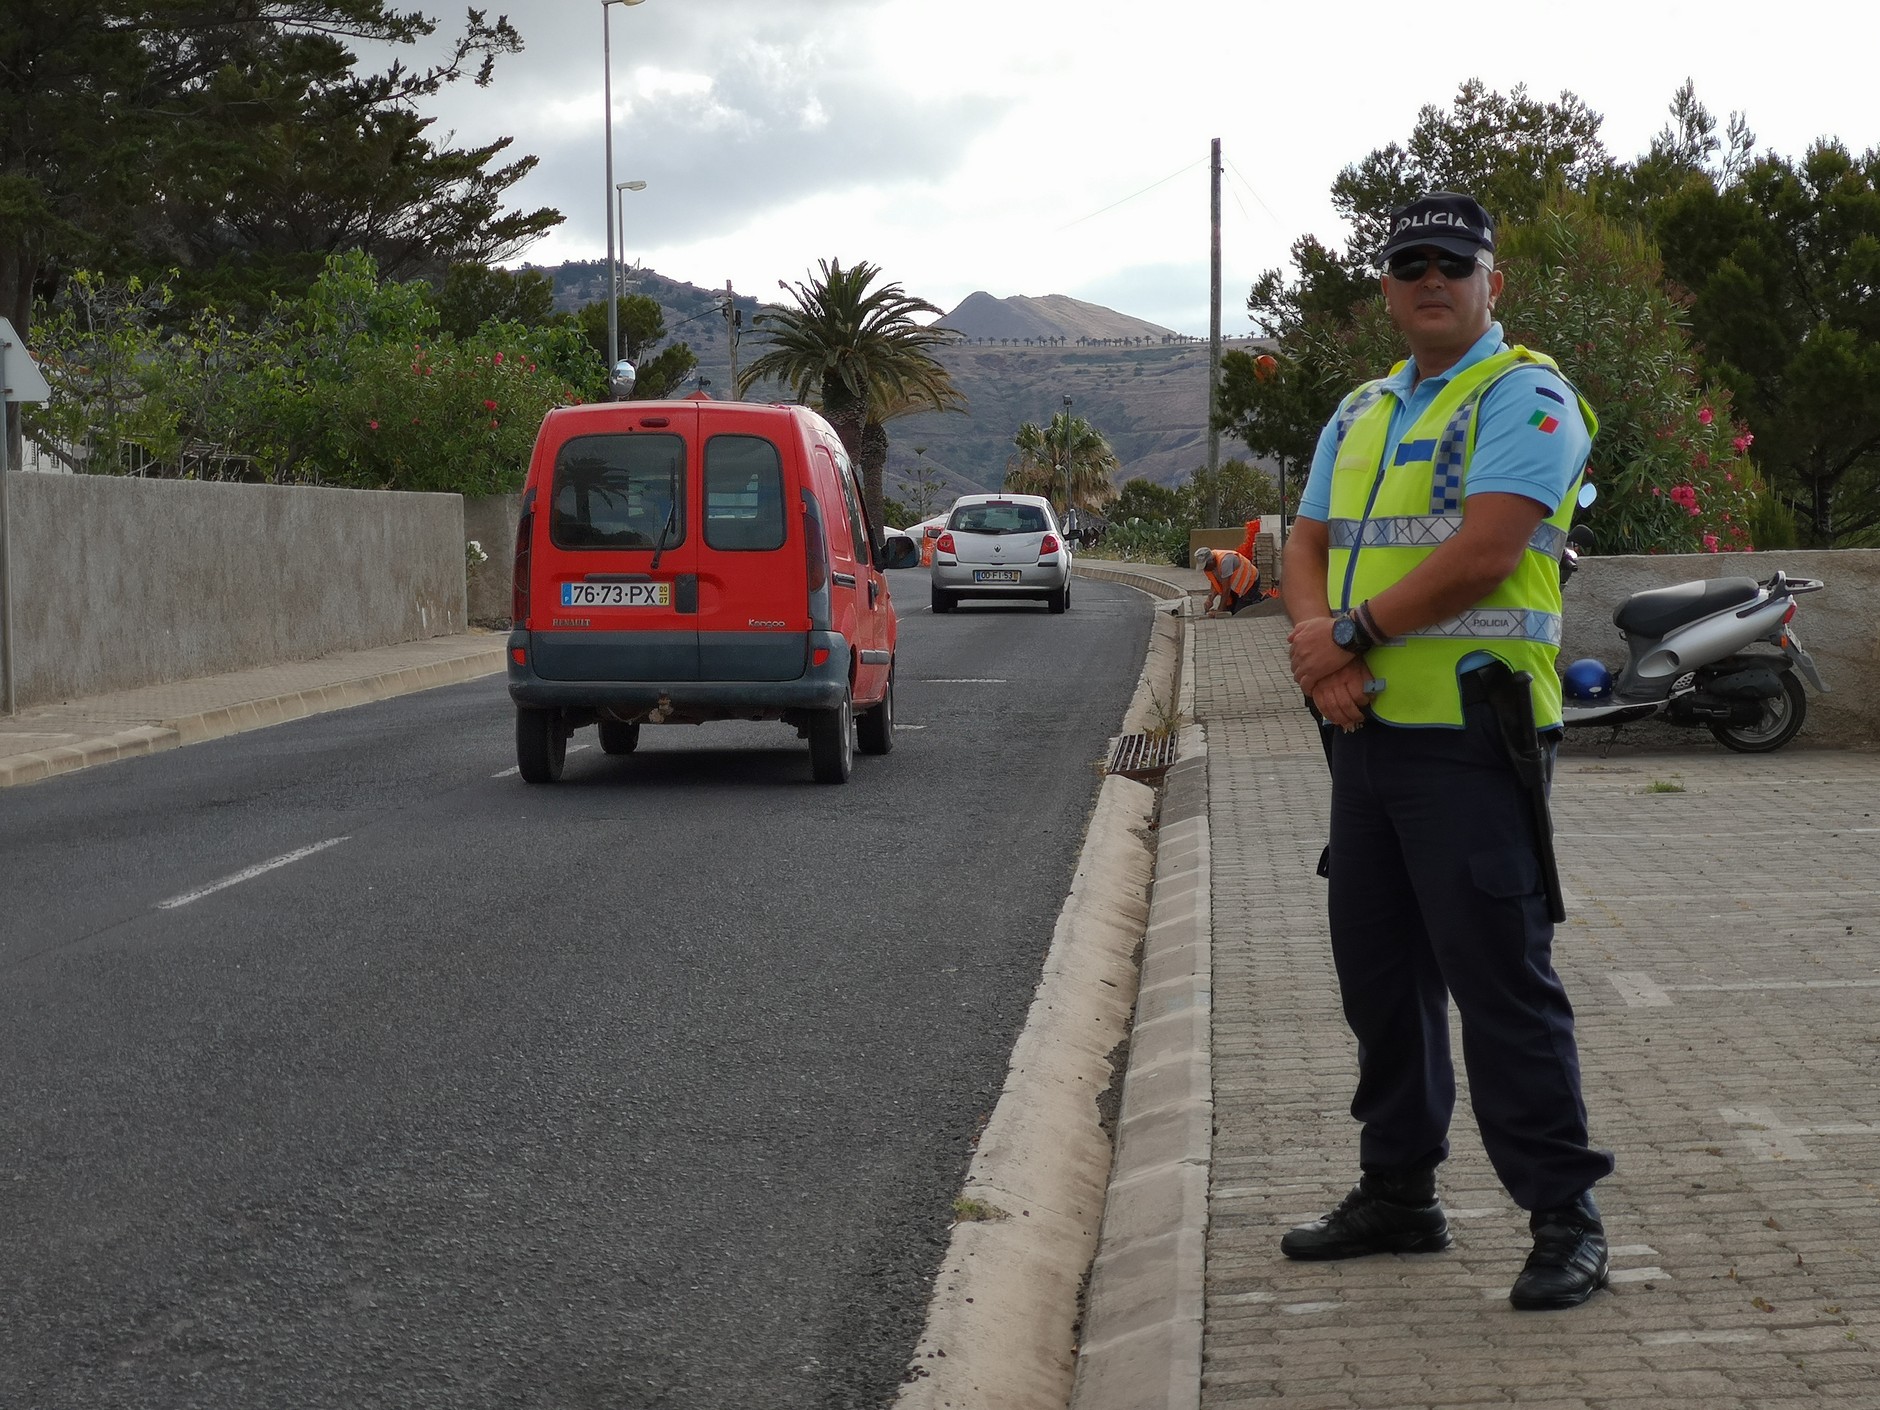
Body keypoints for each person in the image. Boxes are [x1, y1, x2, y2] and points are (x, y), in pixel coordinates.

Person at [1279, 191, 1615, 1310]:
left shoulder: (1526, 395)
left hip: (1475, 739)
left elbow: (1481, 553)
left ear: (1489, 284)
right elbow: (1309, 539)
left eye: (1451, 263)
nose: (1430, 279)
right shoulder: (1360, 408)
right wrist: (1317, 655)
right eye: (1409, 263)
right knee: (1378, 985)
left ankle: (1564, 1216)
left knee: (1500, 987)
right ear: (1384, 287)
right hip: (1364, 737)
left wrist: (1346, 635)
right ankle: (1397, 1195)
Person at [1192, 545, 1261, 616]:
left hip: (1250, 582)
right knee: (1230, 609)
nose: (1205, 569)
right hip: (1236, 587)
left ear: (1212, 560)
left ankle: (1259, 599)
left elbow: (1226, 589)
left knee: (1239, 613)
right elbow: (1215, 583)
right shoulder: (1211, 565)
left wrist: (1220, 610)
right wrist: (1210, 599)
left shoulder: (1225, 561)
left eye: (1205, 566)